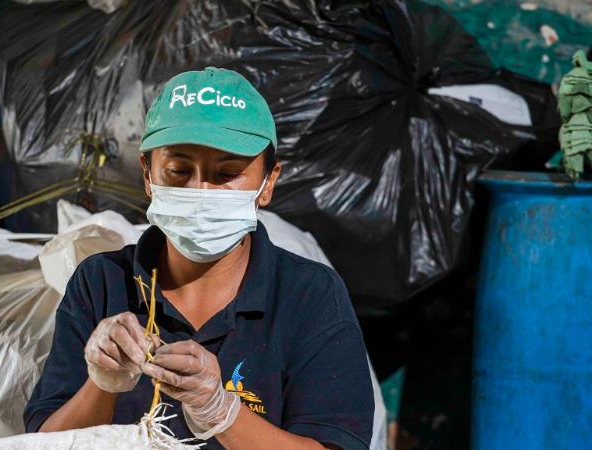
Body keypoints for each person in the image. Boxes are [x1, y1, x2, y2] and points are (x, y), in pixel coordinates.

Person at [24, 67, 372, 450]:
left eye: (226, 174)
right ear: (147, 173)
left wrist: (222, 412)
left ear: (268, 183)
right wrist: (101, 384)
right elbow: (44, 444)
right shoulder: (101, 282)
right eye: (178, 170)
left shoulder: (310, 295)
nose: (200, 191)